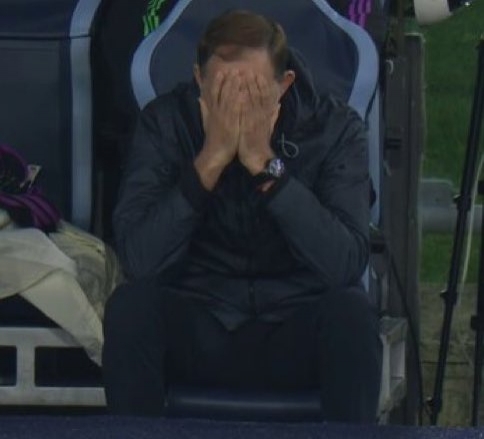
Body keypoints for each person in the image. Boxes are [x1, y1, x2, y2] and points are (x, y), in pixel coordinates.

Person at [102, 9, 383, 423]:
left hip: (295, 321)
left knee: (352, 315)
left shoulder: (335, 128)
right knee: (130, 308)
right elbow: (138, 259)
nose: (236, 104)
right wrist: (209, 162)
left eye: (252, 91)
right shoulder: (166, 122)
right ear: (199, 80)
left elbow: (344, 264)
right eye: (222, 90)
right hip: (200, 318)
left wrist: (267, 167)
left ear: (284, 84)